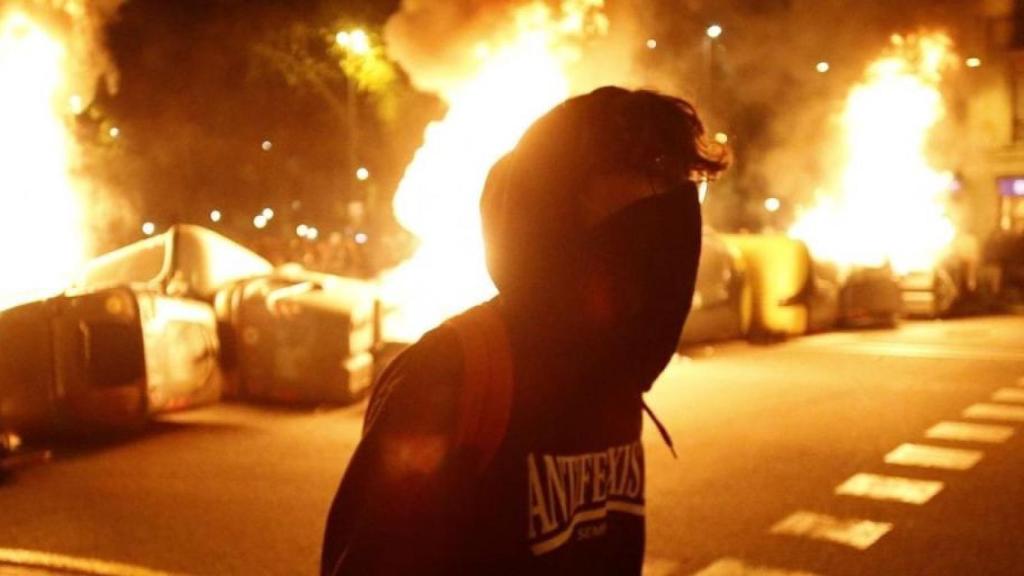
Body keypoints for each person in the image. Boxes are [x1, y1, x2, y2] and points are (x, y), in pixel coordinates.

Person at [321, 86, 729, 575]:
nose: (671, 199)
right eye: (649, 168)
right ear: (563, 196)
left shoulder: (616, 373)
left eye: (679, 179)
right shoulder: (452, 371)